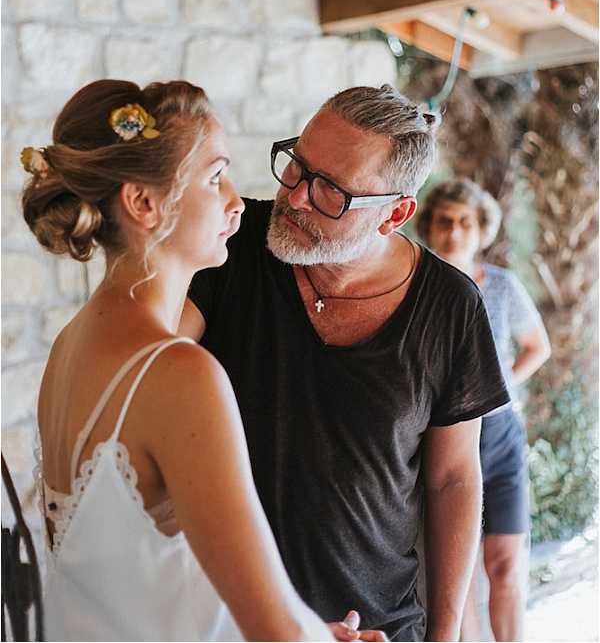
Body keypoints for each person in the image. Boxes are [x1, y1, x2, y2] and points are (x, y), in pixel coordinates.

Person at [181, 85, 511, 642]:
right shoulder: (228, 248)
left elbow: (453, 479)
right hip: (224, 621)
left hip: (376, 628)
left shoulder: (450, 306)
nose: (297, 197)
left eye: (331, 191)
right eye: (297, 166)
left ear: (396, 214)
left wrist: (445, 635)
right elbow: (147, 367)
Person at [24, 79, 339, 642]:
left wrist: (315, 631)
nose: (236, 201)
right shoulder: (179, 374)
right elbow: (276, 634)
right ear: (143, 203)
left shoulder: (70, 346)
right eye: (214, 177)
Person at [417, 179, 551, 642]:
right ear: (429, 227)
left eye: (465, 223)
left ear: (481, 231)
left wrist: (496, 388)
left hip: (499, 439)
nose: (454, 232)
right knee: (460, 569)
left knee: (506, 562)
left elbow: (537, 346)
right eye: (444, 221)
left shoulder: (503, 287)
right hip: (443, 440)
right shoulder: (415, 287)